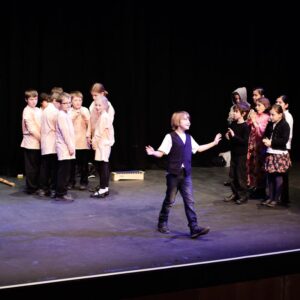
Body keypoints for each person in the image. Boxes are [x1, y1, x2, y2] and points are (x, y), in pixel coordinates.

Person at [145, 111, 222, 238]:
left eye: (189, 119)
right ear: (177, 122)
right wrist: (153, 152)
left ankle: (194, 228)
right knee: (170, 200)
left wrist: (214, 143)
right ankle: (162, 222)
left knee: (189, 201)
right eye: (185, 119)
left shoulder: (189, 138)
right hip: (173, 175)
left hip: (186, 174)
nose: (188, 122)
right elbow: (161, 152)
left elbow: (198, 149)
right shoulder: (170, 137)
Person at [262, 104, 291, 208]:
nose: (271, 117)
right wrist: (265, 140)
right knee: (270, 176)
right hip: (270, 152)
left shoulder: (284, 125)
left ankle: (276, 198)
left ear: (280, 114)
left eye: (273, 115)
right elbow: (265, 134)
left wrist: (272, 142)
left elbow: (284, 140)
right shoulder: (270, 124)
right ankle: (270, 197)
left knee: (278, 176)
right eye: (270, 114)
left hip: (279, 153)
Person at [224, 103, 250, 205]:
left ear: (243, 114)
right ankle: (235, 193)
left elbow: (244, 142)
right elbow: (233, 140)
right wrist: (228, 137)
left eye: (236, 112)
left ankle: (243, 195)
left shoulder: (245, 127)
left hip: (241, 155)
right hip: (234, 154)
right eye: (233, 111)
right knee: (232, 175)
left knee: (240, 176)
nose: (234, 113)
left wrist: (234, 136)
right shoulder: (233, 124)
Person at [224, 87, 250, 186]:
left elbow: (244, 140)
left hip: (241, 150)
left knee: (240, 172)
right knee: (234, 171)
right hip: (235, 149)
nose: (237, 100)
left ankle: (242, 193)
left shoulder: (246, 109)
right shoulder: (234, 110)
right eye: (236, 98)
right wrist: (229, 135)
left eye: (239, 98)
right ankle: (235, 192)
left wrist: (234, 136)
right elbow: (230, 122)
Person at [90, 95, 115, 198]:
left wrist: (94, 144)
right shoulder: (103, 116)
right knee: (103, 165)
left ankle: (103, 188)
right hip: (104, 144)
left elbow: (99, 133)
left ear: (105, 106)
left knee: (103, 166)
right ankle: (104, 187)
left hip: (102, 144)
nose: (97, 107)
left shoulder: (104, 117)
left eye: (100, 105)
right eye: (96, 105)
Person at [247, 97, 270, 199]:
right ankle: (254, 186)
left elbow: (261, 132)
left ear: (265, 106)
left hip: (260, 146)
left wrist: (254, 121)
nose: (257, 107)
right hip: (252, 144)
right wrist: (250, 119)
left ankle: (261, 189)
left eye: (259, 105)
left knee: (259, 168)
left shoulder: (266, 117)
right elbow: (248, 126)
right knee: (251, 165)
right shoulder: (256, 115)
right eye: (256, 105)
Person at [39, 91, 61, 197]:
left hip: (46, 143)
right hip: (52, 143)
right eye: (59, 102)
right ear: (54, 101)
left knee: (45, 167)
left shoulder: (45, 110)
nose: (60, 105)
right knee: (53, 168)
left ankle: (44, 189)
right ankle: (52, 189)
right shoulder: (54, 112)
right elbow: (58, 128)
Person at [20, 89, 42, 194]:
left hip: (38, 143)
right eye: (31, 99)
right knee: (31, 167)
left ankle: (37, 185)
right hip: (31, 143)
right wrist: (42, 140)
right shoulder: (27, 110)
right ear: (26, 100)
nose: (33, 101)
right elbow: (32, 129)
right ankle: (31, 188)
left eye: (35, 98)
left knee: (37, 166)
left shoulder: (38, 110)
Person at [55, 93, 75, 201]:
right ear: (60, 104)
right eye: (65, 103)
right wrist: (70, 147)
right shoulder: (61, 115)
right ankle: (61, 193)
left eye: (69, 103)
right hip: (64, 147)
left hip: (66, 147)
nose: (68, 105)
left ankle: (62, 191)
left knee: (65, 171)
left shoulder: (66, 114)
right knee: (63, 171)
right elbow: (65, 133)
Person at [68, 91, 90, 190]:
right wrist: (73, 117)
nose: (78, 102)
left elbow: (90, 125)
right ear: (71, 101)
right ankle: (71, 182)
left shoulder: (85, 110)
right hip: (73, 143)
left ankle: (84, 182)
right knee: (72, 166)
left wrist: (85, 118)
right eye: (75, 100)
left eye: (80, 100)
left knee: (84, 165)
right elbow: (66, 126)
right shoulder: (69, 111)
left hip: (83, 143)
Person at [275, 95, 293, 206]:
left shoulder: (287, 116)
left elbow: (288, 136)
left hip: (284, 147)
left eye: (280, 102)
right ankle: (281, 197)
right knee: (279, 173)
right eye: (277, 101)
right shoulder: (279, 115)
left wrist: (287, 151)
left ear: (286, 105)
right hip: (279, 147)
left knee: (283, 174)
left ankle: (284, 198)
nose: (278, 103)